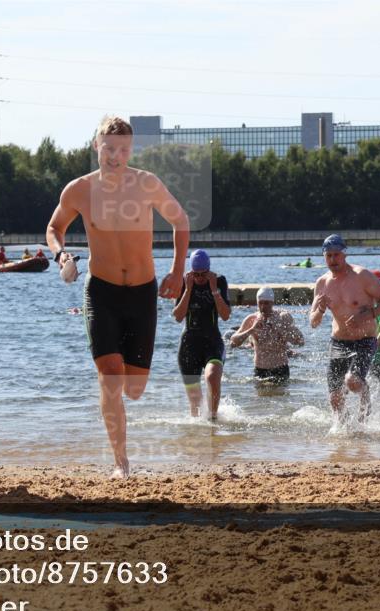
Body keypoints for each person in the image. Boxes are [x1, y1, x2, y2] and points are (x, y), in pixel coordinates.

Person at [46, 115, 190, 479]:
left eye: (123, 150)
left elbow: (181, 221)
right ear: (97, 146)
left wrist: (176, 272)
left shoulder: (146, 184)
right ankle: (121, 463)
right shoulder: (78, 190)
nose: (115, 156)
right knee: (110, 376)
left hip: (142, 293)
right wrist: (61, 255)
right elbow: (54, 228)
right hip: (102, 292)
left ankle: (122, 434)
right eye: (109, 148)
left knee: (135, 389)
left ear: (131, 150)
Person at [309, 234, 380, 424]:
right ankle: (346, 431)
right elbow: (313, 322)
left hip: (364, 340)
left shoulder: (361, 276)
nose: (333, 260)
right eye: (329, 256)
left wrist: (367, 315)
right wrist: (321, 310)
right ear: (324, 257)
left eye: (336, 255)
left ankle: (365, 408)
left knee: (353, 381)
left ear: (344, 254)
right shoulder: (322, 283)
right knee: (335, 398)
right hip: (338, 342)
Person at [173, 250, 231, 420]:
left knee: (213, 376)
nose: (199, 278)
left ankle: (213, 420)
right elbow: (178, 316)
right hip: (188, 345)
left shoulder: (219, 281)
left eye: (203, 274)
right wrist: (188, 289)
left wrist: (214, 290)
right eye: (196, 274)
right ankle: (197, 441)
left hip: (212, 341)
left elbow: (226, 315)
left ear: (209, 270)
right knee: (195, 405)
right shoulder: (185, 283)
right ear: (191, 271)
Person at [230, 286, 304, 385]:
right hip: (260, 370)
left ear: (272, 303)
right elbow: (233, 343)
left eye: (266, 303)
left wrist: (282, 331)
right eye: (260, 303)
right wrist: (251, 330)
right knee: (260, 400)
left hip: (280, 369)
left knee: (280, 399)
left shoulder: (283, 317)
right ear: (257, 303)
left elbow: (301, 341)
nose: (263, 306)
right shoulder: (252, 319)